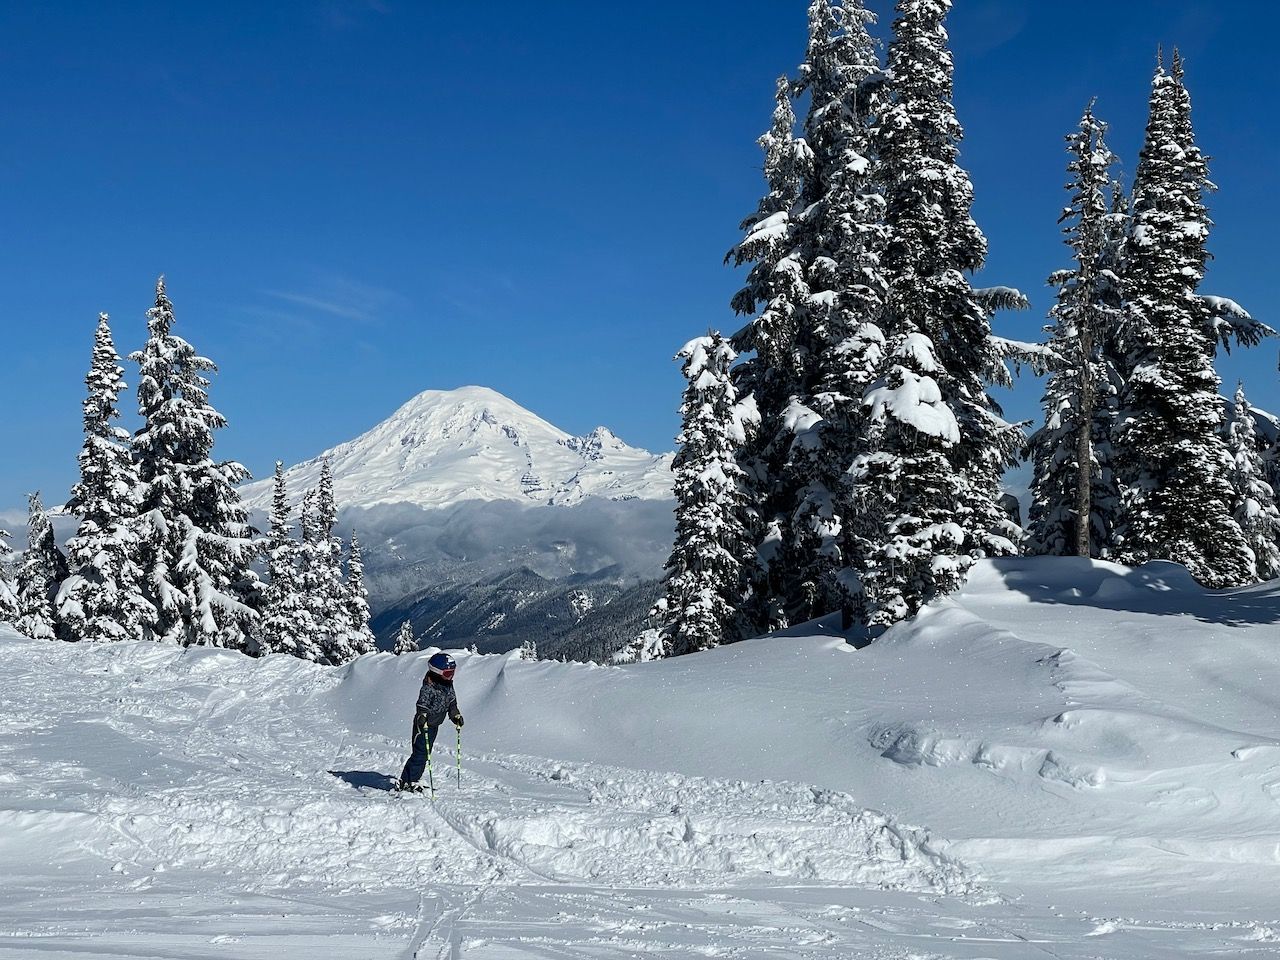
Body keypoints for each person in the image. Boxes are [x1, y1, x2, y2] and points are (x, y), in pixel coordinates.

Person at [398, 651, 464, 792]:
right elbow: (422, 705)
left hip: (434, 726)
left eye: (452, 673)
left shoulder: (448, 686)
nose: (451, 676)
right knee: (419, 754)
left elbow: (452, 704)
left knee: (426, 753)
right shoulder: (428, 688)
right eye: (447, 673)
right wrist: (422, 716)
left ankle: (414, 779)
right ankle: (406, 781)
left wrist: (455, 716)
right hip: (423, 726)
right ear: (437, 672)